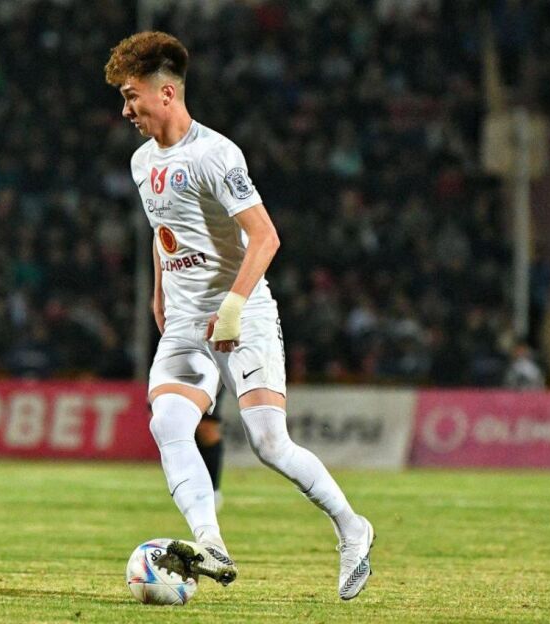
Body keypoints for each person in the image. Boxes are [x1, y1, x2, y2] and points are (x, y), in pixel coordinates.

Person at [106, 32, 374, 600]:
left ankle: (353, 528)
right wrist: (159, 292)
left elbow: (265, 236)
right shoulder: (140, 162)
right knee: (167, 423)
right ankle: (211, 544)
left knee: (268, 442)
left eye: (131, 97)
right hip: (185, 323)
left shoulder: (216, 155)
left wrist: (231, 306)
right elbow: (163, 227)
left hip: (241, 312)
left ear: (166, 93)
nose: (125, 110)